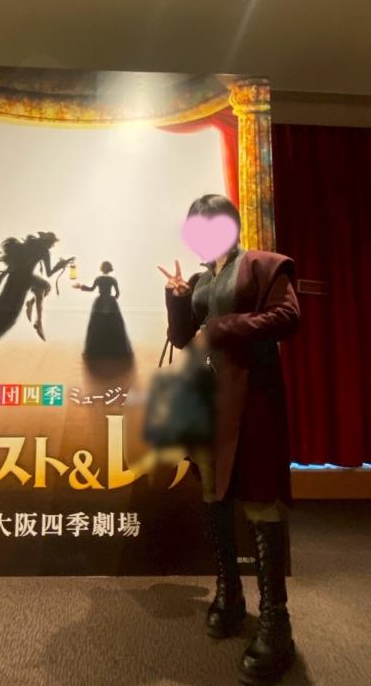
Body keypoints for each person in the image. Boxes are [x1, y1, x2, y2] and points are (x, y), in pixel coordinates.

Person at [159, 194, 300, 686]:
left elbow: (288, 318)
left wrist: (223, 326)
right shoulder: (201, 280)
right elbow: (182, 337)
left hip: (253, 401)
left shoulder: (264, 265)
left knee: (261, 504)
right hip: (205, 402)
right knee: (213, 497)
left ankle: (277, 623)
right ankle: (230, 594)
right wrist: (179, 298)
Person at [73, 261, 133, 360]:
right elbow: (117, 293)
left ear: (102, 268)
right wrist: (112, 301)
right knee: (113, 324)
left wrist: (80, 286)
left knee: (97, 324)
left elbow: (91, 289)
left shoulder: (99, 278)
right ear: (110, 269)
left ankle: (97, 348)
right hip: (110, 301)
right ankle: (114, 348)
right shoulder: (113, 279)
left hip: (100, 302)